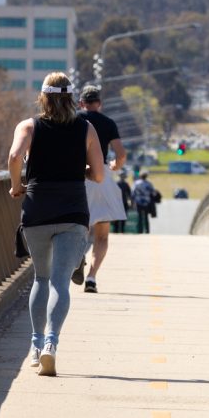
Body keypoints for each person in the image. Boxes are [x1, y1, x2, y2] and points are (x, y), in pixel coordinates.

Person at [8, 72, 105, 377]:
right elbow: (100, 174)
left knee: (40, 278)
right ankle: (52, 343)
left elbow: (14, 156)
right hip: (72, 212)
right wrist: (83, 171)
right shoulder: (86, 128)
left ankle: (36, 347)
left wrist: (15, 186)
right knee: (61, 282)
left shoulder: (29, 126)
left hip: (38, 209)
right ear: (71, 98)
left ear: (43, 97)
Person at [74, 85, 127, 292]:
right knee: (102, 235)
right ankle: (92, 278)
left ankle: (77, 258)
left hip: (78, 178)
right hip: (101, 177)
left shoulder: (75, 120)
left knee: (78, 228)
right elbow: (121, 154)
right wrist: (114, 166)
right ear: (99, 103)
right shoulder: (108, 123)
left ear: (81, 103)